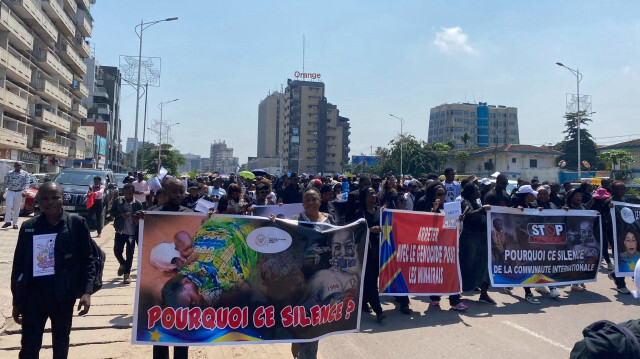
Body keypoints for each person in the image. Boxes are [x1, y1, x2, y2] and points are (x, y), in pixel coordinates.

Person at [11, 182, 95, 358]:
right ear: (38, 201)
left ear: (62, 199)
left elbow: (88, 259)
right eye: (45, 198)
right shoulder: (28, 228)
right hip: (33, 298)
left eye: (55, 197)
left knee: (61, 343)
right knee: (29, 347)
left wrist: (87, 292)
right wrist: (17, 301)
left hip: (63, 297)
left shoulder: (76, 224)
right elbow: (18, 266)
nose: (50, 202)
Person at [136, 177, 191, 359]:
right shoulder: (152, 214)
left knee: (182, 329)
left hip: (182, 289)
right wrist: (141, 224)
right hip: (160, 288)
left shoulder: (190, 213)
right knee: (160, 327)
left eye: (181, 192)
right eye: (173, 191)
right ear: (164, 193)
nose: (177, 195)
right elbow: (144, 246)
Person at [289, 188, 335, 359]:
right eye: (307, 200)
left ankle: (305, 351)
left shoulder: (330, 220)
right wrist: (272, 223)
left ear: (320, 201)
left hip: (323, 279)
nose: (311, 203)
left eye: (314, 199)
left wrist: (364, 228)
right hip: (299, 280)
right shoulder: (295, 221)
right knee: (304, 321)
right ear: (302, 203)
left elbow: (342, 235)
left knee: (315, 322)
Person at [419, 181, 470, 310]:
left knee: (451, 273)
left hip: (447, 248)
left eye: (443, 194)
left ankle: (455, 301)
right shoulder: (423, 205)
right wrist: (433, 212)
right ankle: (435, 298)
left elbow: (451, 226)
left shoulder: (449, 207)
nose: (441, 197)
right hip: (431, 247)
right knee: (435, 273)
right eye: (439, 194)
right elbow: (419, 223)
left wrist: (459, 220)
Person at [459, 182, 496, 305]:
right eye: (476, 189)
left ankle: (484, 293)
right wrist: (482, 210)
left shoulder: (477, 202)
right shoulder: (465, 203)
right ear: (470, 192)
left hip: (482, 238)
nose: (479, 191)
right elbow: (468, 216)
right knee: (468, 266)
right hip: (470, 239)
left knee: (485, 265)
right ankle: (457, 291)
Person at [357, 187, 386, 321]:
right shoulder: (360, 213)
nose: (374, 196)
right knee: (372, 280)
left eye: (375, 193)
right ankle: (378, 310)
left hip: (380, 249)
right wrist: (369, 230)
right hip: (365, 251)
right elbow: (354, 232)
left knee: (370, 279)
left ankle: (363, 302)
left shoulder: (379, 211)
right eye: (370, 194)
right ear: (364, 197)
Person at [111, 184, 143, 284]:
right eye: (126, 193)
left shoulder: (138, 204)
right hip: (120, 231)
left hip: (132, 234)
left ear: (133, 193)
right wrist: (121, 215)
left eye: (130, 193)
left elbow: (142, 217)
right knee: (117, 251)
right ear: (123, 193)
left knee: (130, 254)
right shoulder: (119, 201)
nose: (128, 195)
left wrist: (137, 219)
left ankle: (127, 274)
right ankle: (122, 263)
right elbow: (112, 213)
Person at [608, 181, 632, 293]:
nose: (623, 191)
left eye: (624, 189)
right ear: (613, 190)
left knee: (628, 256)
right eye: (621, 189)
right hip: (614, 235)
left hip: (627, 234)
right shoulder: (608, 202)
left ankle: (614, 274)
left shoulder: (625, 200)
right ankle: (621, 284)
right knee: (619, 257)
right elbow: (604, 219)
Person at [2, 161, 29, 229]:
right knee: (9, 205)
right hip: (10, 191)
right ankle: (8, 221)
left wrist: (25, 191)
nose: (18, 167)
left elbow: (27, 183)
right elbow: (5, 183)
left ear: (21, 166)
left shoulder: (25, 173)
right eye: (17, 165)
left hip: (19, 192)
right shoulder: (9, 173)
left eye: (20, 165)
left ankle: (15, 223)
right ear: (14, 166)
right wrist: (2, 191)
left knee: (17, 208)